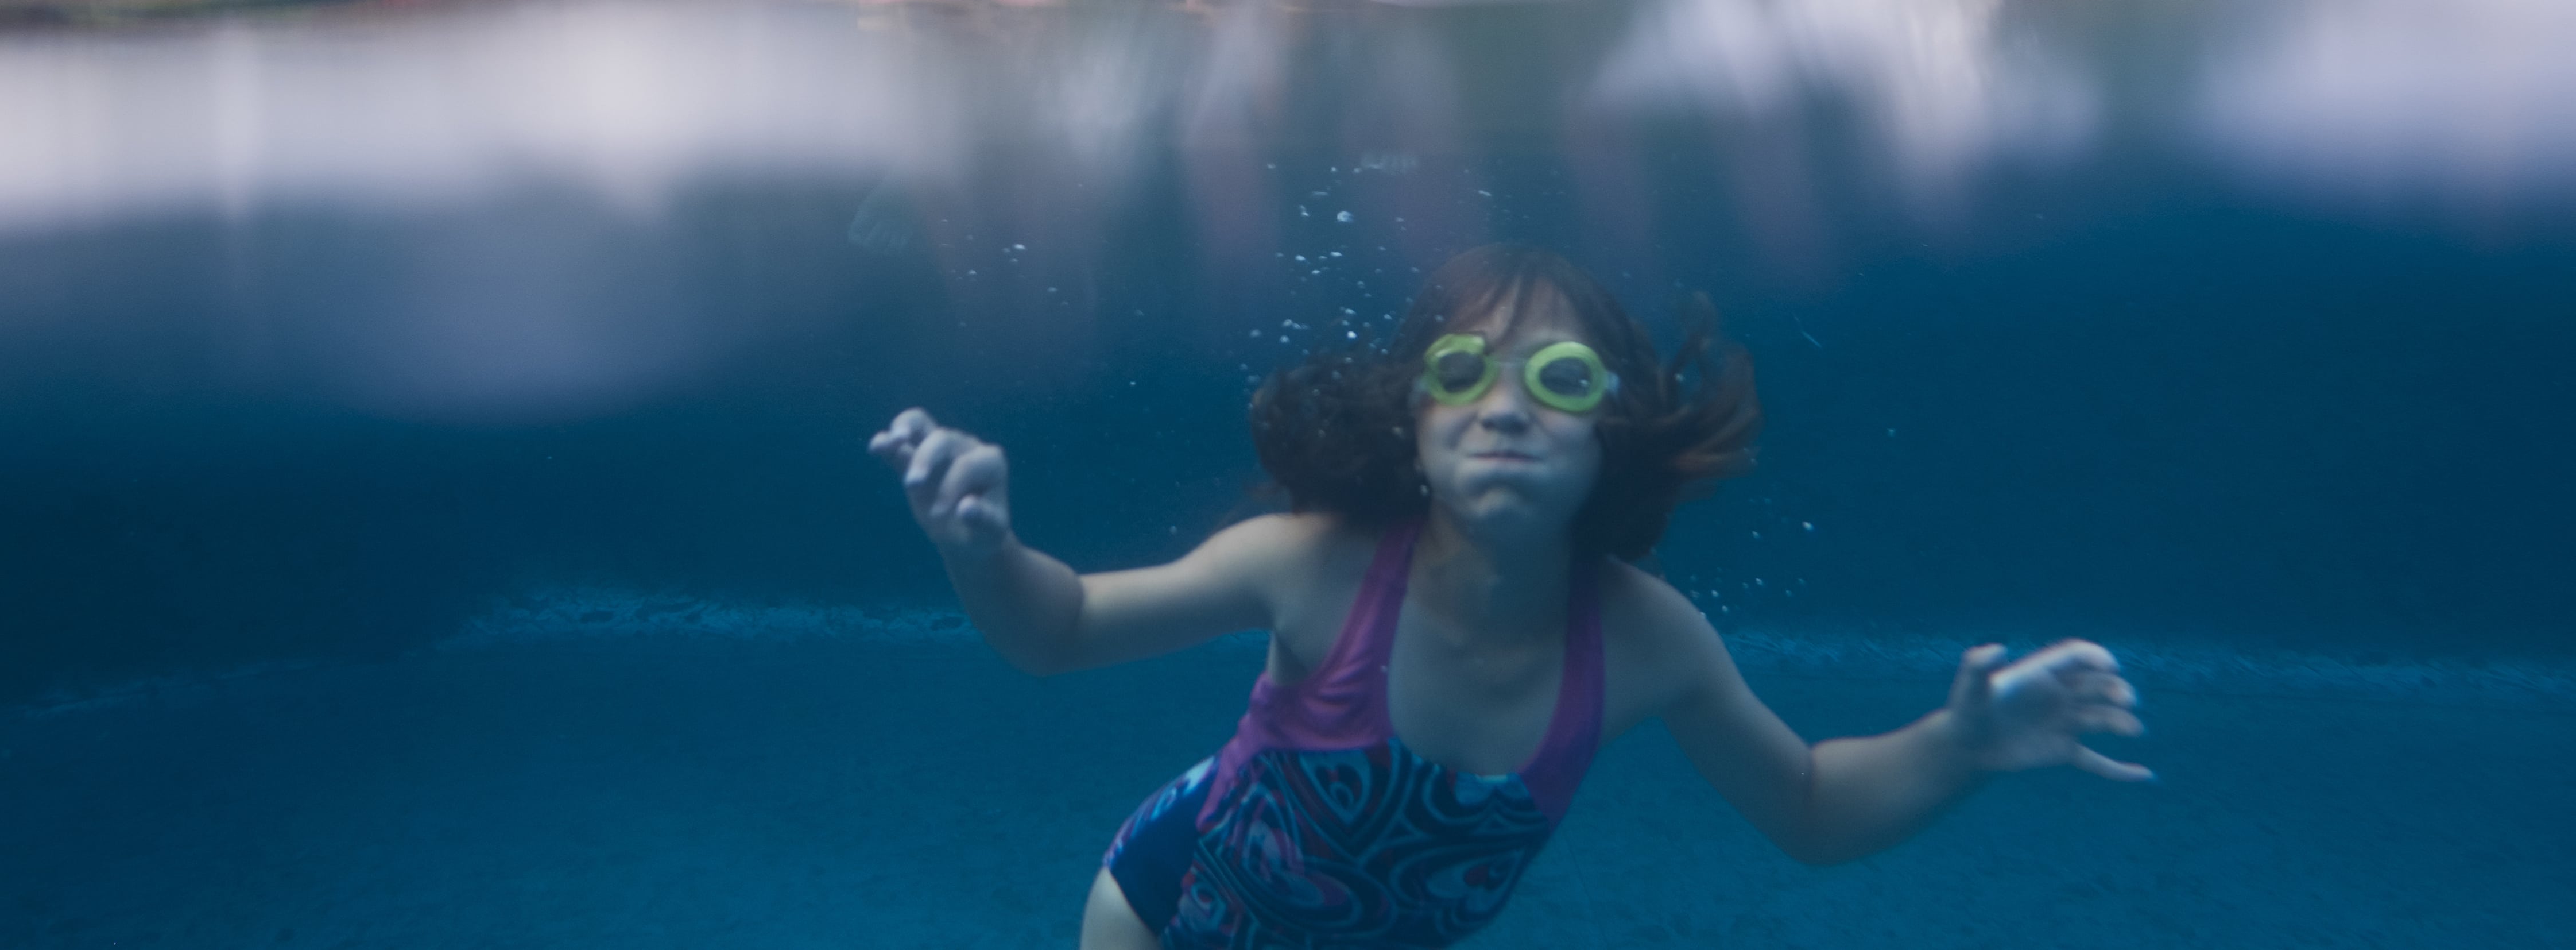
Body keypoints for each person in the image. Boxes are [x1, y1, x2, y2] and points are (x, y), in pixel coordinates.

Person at [871, 245, 2148, 950]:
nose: (1506, 402)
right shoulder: (1314, 561)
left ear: (1614, 436)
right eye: (1463, 367)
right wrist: (981, 544)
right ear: (1413, 424)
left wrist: (1960, 744)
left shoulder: (1647, 638)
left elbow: (1808, 805)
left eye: (1562, 378)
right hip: (1164, 915)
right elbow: (1064, 629)